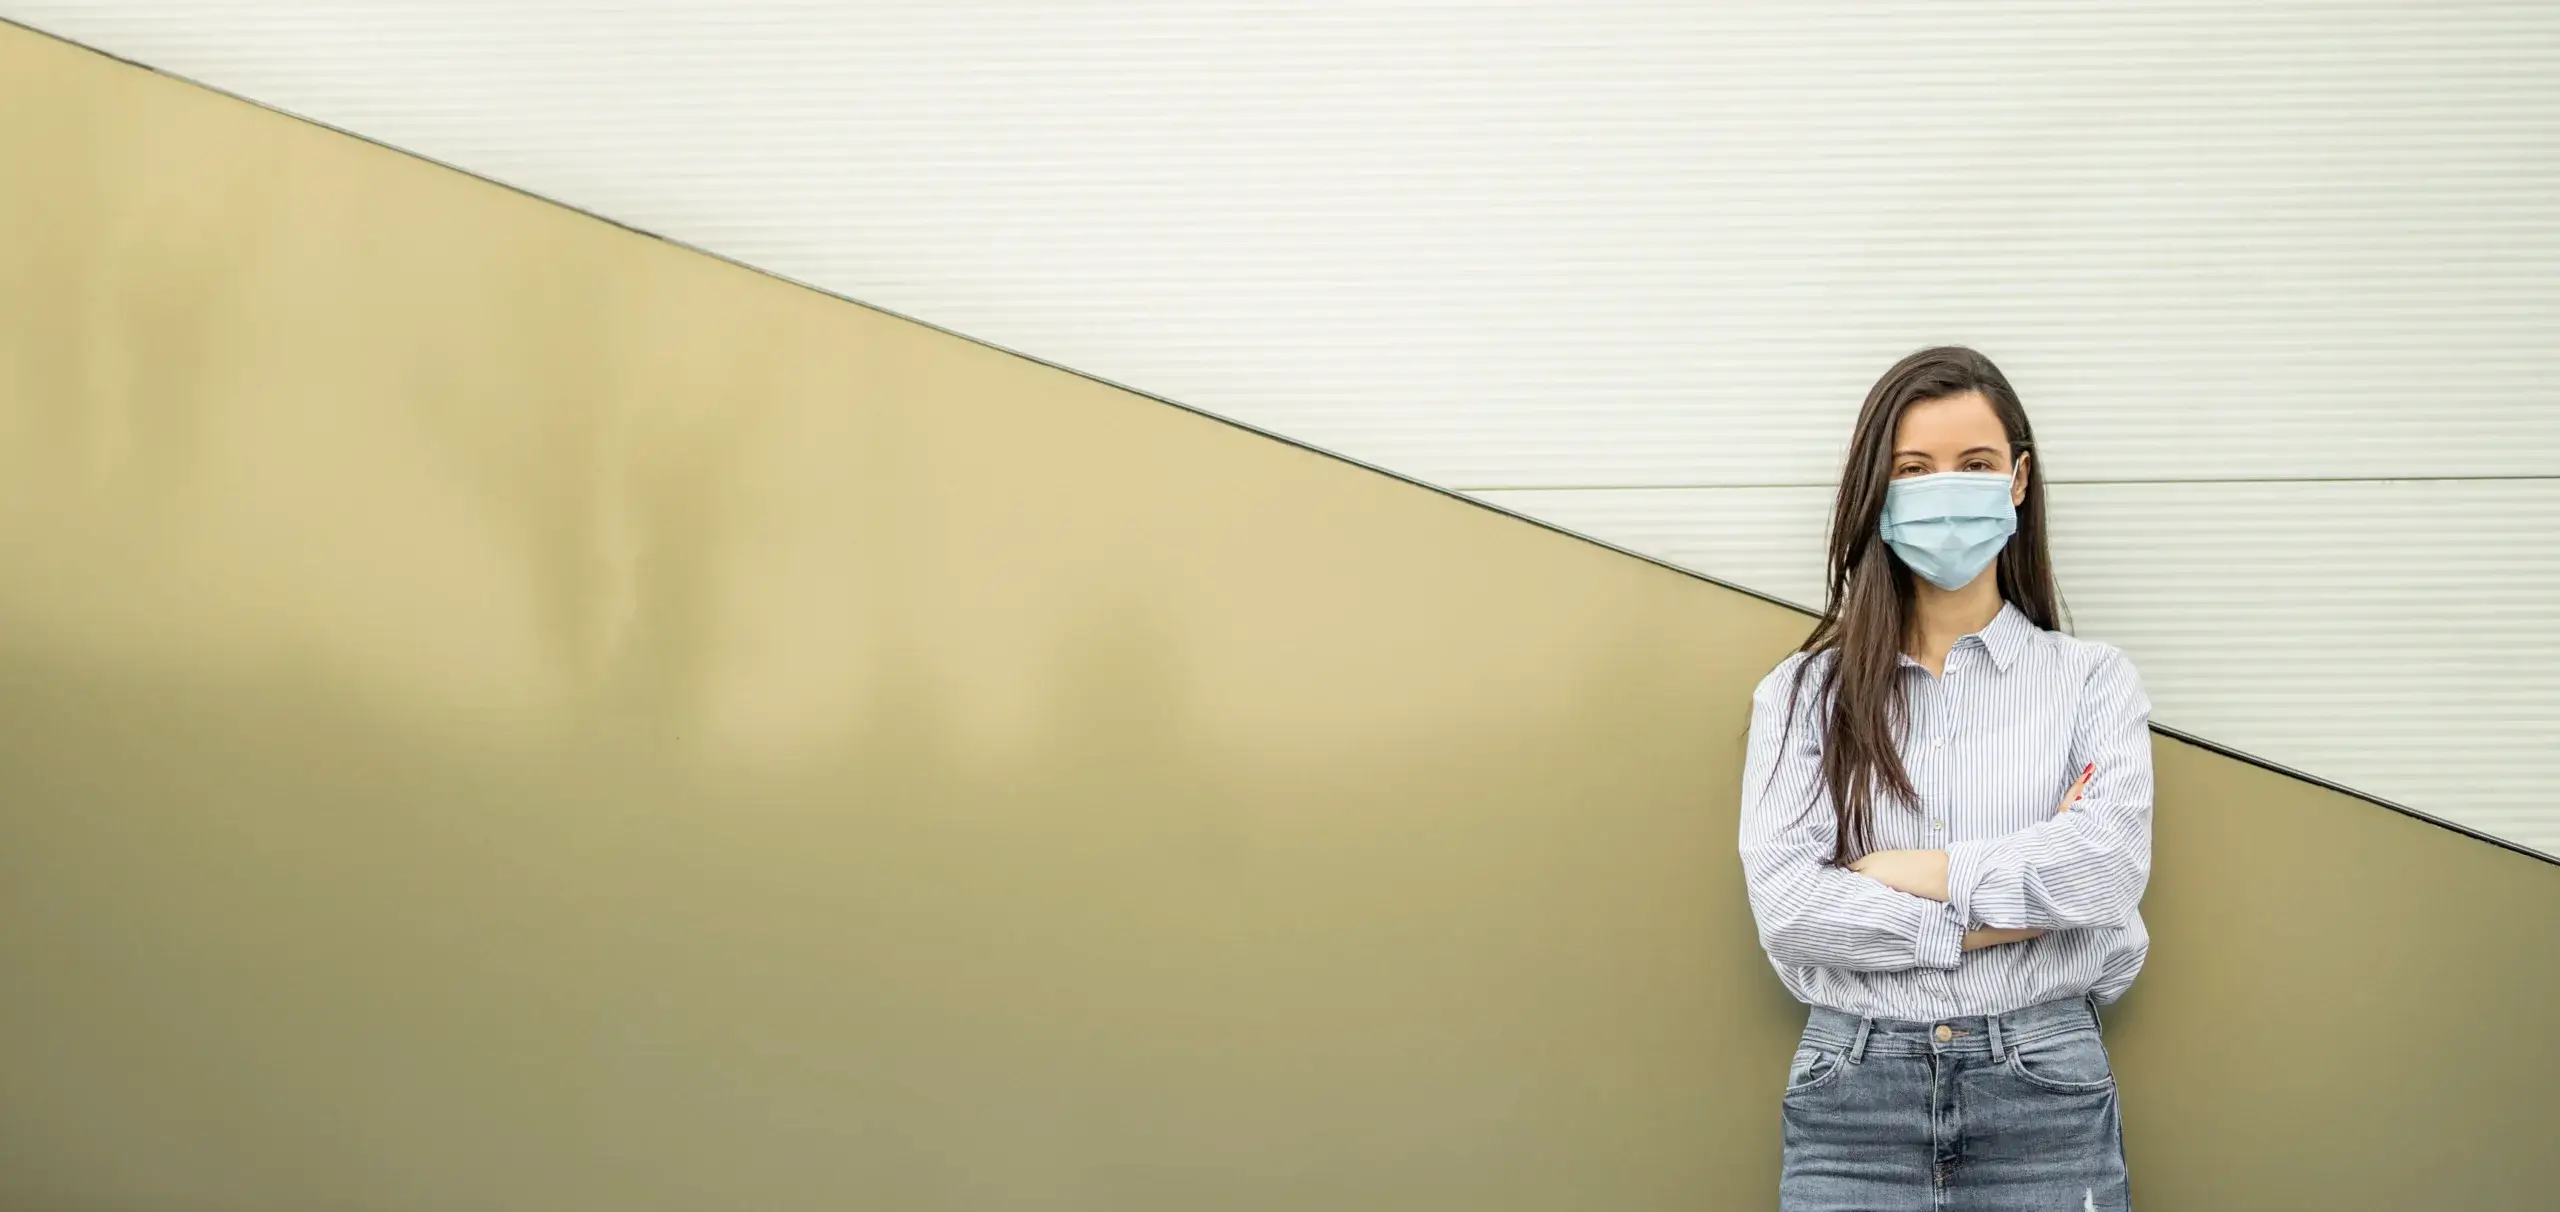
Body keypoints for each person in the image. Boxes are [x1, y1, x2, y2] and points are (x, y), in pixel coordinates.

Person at [1739, 346, 2152, 1211]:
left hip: (2045, 1088)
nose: (1947, 489)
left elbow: (2104, 873)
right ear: (1878, 495)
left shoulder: (2092, 680)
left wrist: (1901, 870)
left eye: (1975, 464)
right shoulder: (1802, 693)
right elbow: (1790, 908)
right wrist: (2012, 915)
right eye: (1915, 470)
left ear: (2019, 480)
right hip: (1851, 1096)